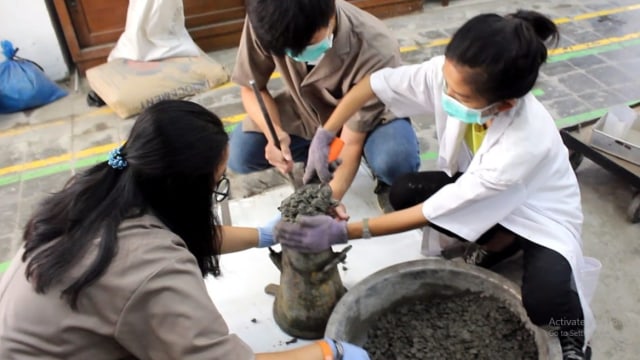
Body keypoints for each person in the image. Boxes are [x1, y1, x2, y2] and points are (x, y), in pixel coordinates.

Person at [276, 11, 600, 360]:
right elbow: (373, 85)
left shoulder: (522, 144)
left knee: (544, 300)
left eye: (459, 95)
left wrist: (343, 233)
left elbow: (431, 211)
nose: (444, 92)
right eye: (446, 81)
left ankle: (574, 335)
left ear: (504, 104)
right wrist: (327, 132)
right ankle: (500, 243)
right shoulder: (452, 73)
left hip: (537, 212)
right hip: (480, 184)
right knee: (403, 193)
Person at [0, 100, 369, 360]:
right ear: (184, 189)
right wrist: (326, 352)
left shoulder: (102, 189)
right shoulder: (152, 269)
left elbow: (182, 234)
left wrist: (264, 235)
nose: (217, 191)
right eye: (217, 183)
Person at [229, 0, 420, 212]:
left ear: (330, 17)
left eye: (306, 44)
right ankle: (314, 161)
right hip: (307, 108)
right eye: (288, 50)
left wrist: (325, 202)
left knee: (395, 161)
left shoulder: (376, 46)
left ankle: (377, 170)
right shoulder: (268, 19)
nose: (296, 53)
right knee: (241, 153)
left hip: (372, 118)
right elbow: (251, 88)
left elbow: (352, 140)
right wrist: (274, 131)